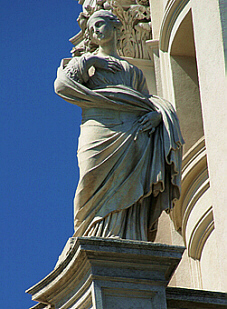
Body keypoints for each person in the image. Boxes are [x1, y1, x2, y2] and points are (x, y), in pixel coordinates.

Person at [54, 10, 184, 241]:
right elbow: (63, 86)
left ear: (116, 27)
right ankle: (90, 232)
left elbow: (146, 101)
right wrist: (89, 59)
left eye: (101, 24)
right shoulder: (89, 64)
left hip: (133, 133)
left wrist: (157, 116)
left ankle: (127, 236)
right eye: (92, 28)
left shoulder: (133, 71)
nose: (96, 30)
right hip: (99, 129)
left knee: (130, 188)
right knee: (90, 181)